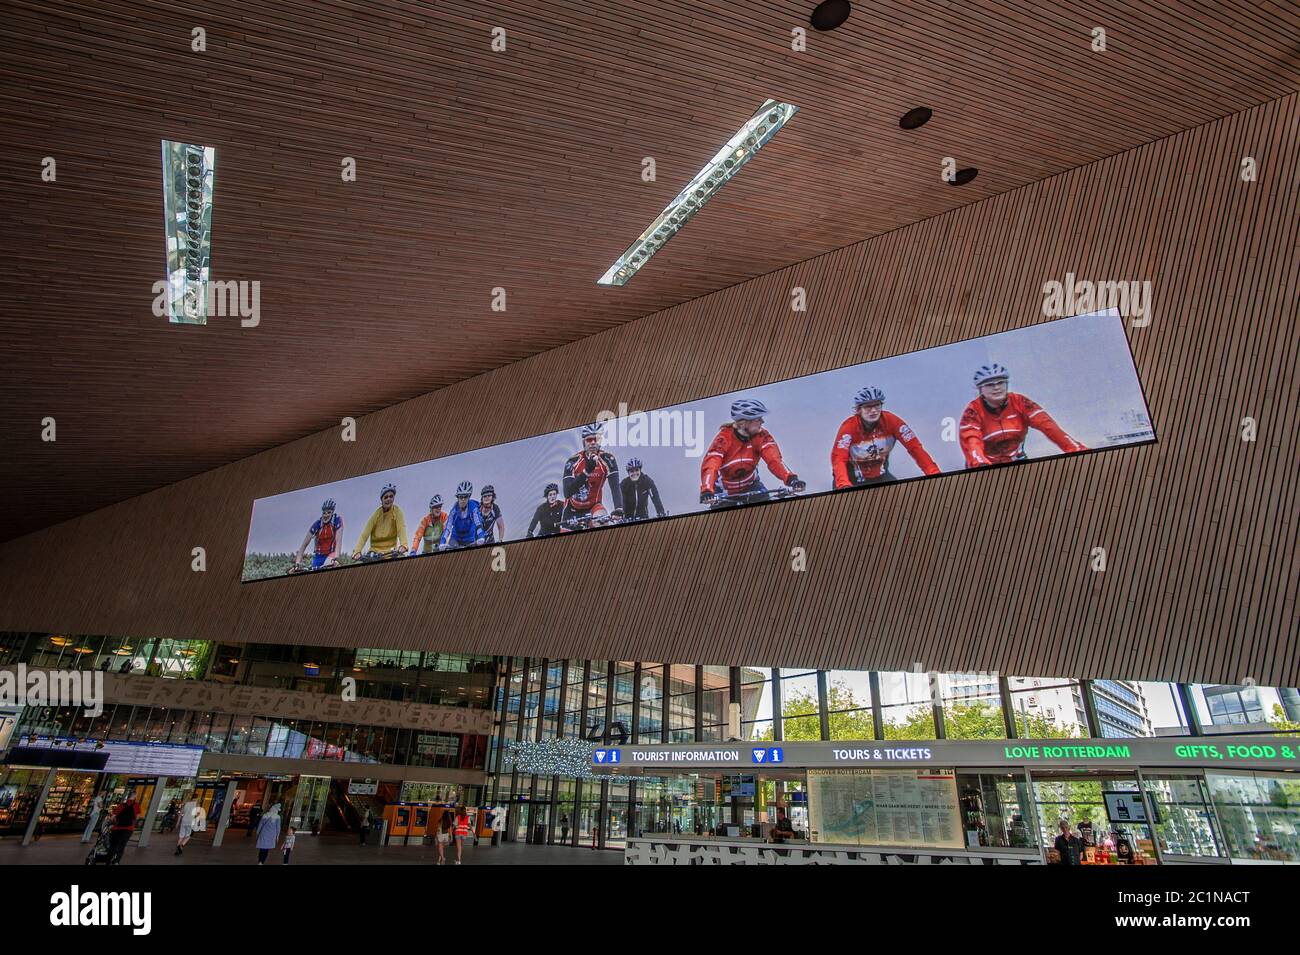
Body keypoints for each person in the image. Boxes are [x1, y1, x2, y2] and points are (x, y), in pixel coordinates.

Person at [960, 363, 1087, 468]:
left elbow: (1049, 427)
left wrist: (1076, 449)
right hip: (985, 464)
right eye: (989, 384)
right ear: (980, 389)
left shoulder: (1020, 402)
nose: (997, 387)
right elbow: (972, 441)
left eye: (1001, 382)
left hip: (1016, 459)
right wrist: (980, 464)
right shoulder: (973, 411)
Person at [700, 398, 804, 505]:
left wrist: (791, 479)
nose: (762, 422)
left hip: (751, 485)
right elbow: (711, 465)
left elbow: (774, 460)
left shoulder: (762, 435)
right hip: (724, 491)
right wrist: (707, 490)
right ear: (744, 423)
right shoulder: (724, 438)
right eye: (758, 419)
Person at [831, 386, 940, 487]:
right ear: (858, 410)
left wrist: (933, 472)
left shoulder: (892, 421)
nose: (873, 410)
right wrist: (843, 484)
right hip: (851, 480)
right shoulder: (848, 428)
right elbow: (838, 458)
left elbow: (915, 448)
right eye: (868, 407)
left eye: (877, 405)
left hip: (881, 477)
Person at [561, 423, 623, 529]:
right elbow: (567, 493)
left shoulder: (607, 459)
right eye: (589, 440)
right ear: (583, 442)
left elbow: (615, 487)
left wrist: (619, 508)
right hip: (572, 508)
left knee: (602, 521)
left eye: (597, 439)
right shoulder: (573, 461)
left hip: (594, 506)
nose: (593, 443)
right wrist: (587, 471)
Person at [351, 483, 408, 560]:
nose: (388, 499)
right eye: (386, 497)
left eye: (391, 496)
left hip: (390, 553)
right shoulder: (376, 515)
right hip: (374, 553)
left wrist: (403, 545)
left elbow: (401, 529)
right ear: (382, 499)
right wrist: (357, 551)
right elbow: (364, 535)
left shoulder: (398, 512)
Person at [293, 498, 344, 571]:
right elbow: (304, 545)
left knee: (328, 565)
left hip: (331, 554)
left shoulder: (337, 520)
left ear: (332, 513)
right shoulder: (317, 524)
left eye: (329, 512)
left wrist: (336, 558)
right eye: (324, 513)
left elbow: (338, 540)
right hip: (318, 556)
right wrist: (297, 564)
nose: (326, 515)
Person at [439, 481, 486, 550]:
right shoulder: (454, 510)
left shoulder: (473, 508)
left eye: (465, 497)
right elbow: (448, 528)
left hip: (469, 539)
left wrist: (481, 537)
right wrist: (442, 542)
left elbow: (478, 523)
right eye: (461, 497)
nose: (463, 500)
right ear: (457, 497)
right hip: (455, 538)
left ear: (469, 497)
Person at [108, 797, 138, 865]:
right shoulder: (136, 806)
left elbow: (113, 818)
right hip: (128, 829)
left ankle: (109, 860)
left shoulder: (121, 805)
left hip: (117, 829)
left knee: (113, 845)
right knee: (122, 846)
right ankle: (116, 861)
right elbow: (136, 818)